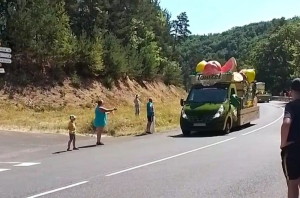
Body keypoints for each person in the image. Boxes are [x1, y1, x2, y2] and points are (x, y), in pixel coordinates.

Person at [280, 78, 300, 198]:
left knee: (293, 184)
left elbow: (286, 123)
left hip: (292, 150)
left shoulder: (291, 106)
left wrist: (283, 143)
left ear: (291, 91)